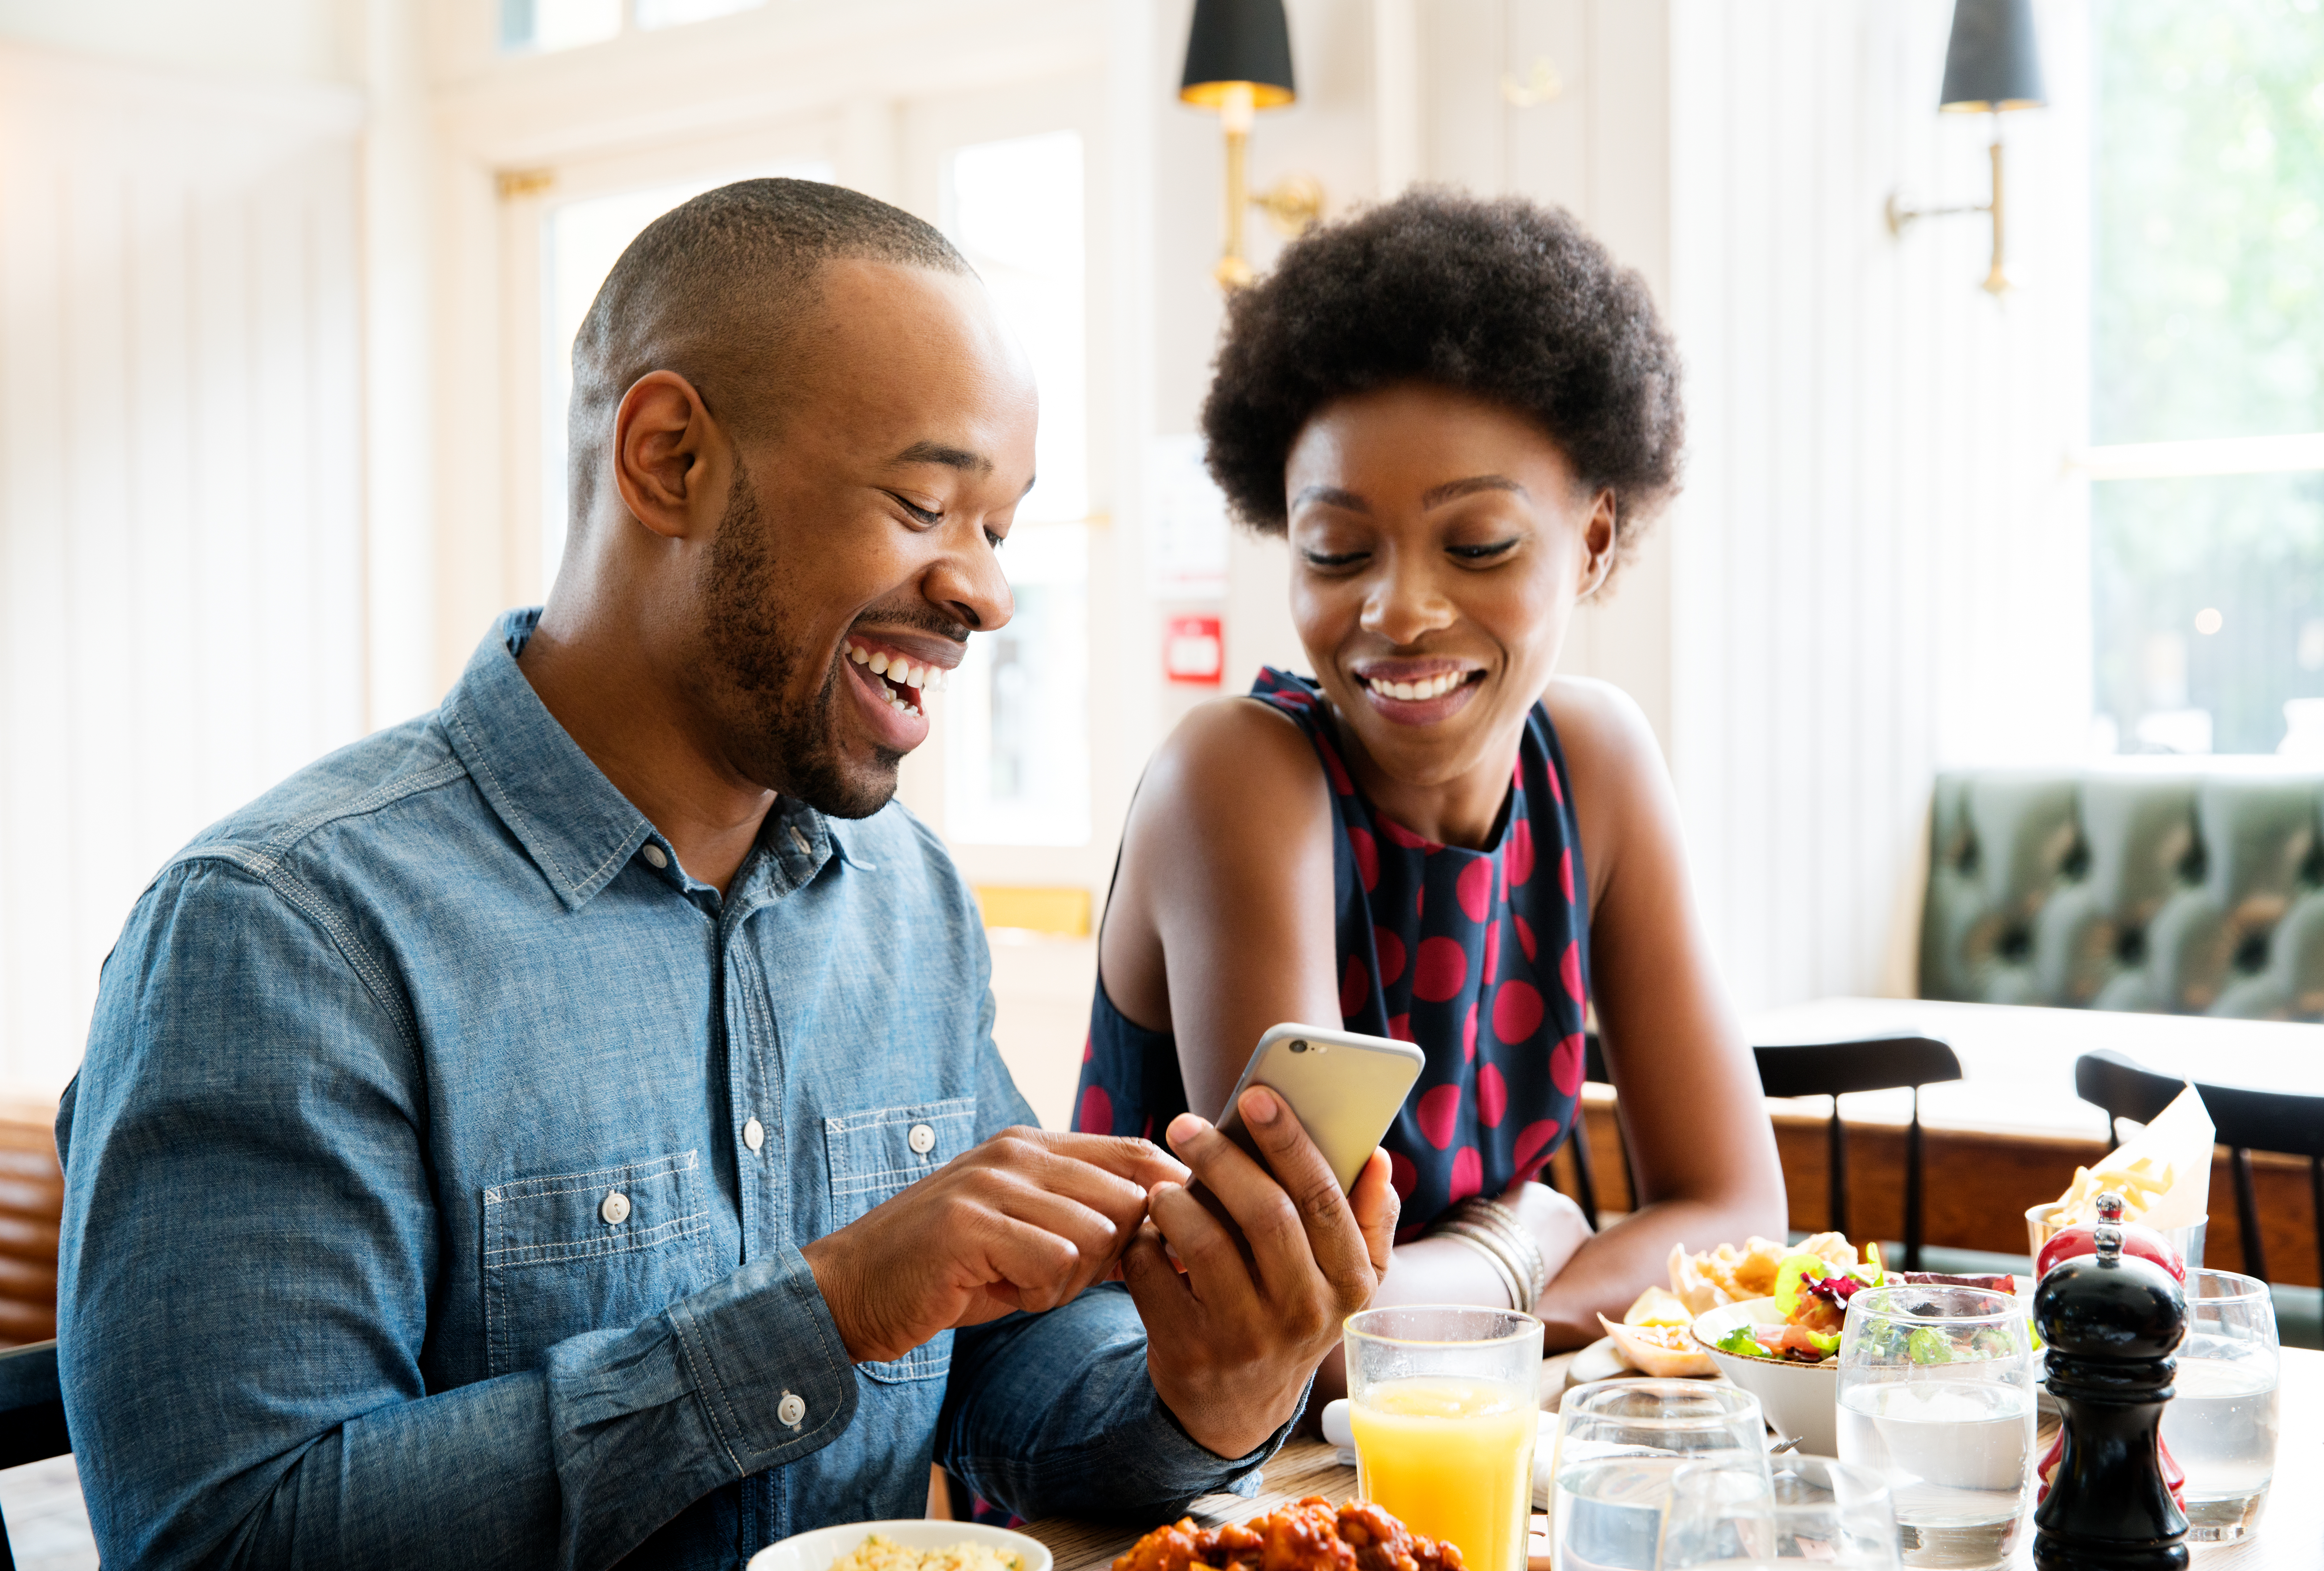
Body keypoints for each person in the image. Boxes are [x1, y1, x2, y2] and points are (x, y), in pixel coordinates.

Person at [53, 180, 1395, 1571]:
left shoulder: (905, 900)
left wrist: (1210, 1391)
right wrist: (820, 1316)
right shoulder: (285, 935)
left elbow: (1012, 1383)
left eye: (999, 529)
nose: (987, 593)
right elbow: (222, 1542)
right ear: (668, 459)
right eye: (926, 502)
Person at [1075, 189, 1784, 1384]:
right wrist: (1524, 1240)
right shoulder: (1238, 777)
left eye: (1479, 546)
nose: (1396, 608)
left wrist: (1464, 1292)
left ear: (1595, 542)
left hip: (1420, 1439)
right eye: (1335, 550)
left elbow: (1736, 1222)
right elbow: (1295, 1317)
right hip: (1155, 1466)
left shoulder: (1594, 765)